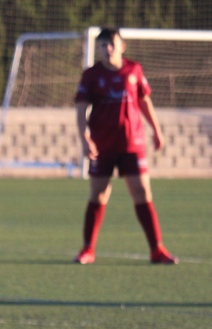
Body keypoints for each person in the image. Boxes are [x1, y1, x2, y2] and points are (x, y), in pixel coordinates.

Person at [74, 27, 177, 265]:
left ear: (122, 46)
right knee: (99, 194)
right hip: (103, 144)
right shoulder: (91, 75)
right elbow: (80, 109)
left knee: (142, 192)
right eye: (102, 45)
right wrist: (84, 138)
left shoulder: (134, 70)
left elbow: (144, 101)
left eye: (111, 44)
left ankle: (157, 249)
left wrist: (157, 130)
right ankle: (88, 249)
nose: (107, 49)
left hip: (133, 144)